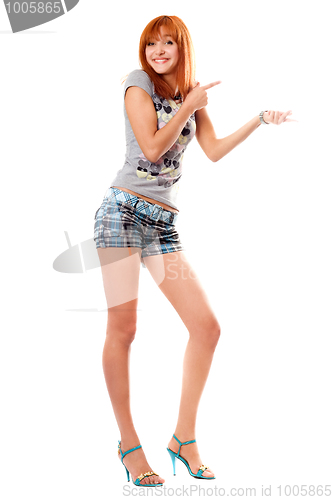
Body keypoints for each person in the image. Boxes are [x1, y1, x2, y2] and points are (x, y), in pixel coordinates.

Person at [93, 15, 295, 488]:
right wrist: (189, 106)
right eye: (151, 43)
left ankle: (183, 439)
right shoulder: (137, 83)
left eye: (168, 43)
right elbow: (152, 148)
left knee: (207, 327)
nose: (159, 50)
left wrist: (260, 120)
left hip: (163, 226)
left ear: (183, 48)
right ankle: (129, 445)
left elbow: (214, 150)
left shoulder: (189, 94)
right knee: (124, 329)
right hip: (122, 214)